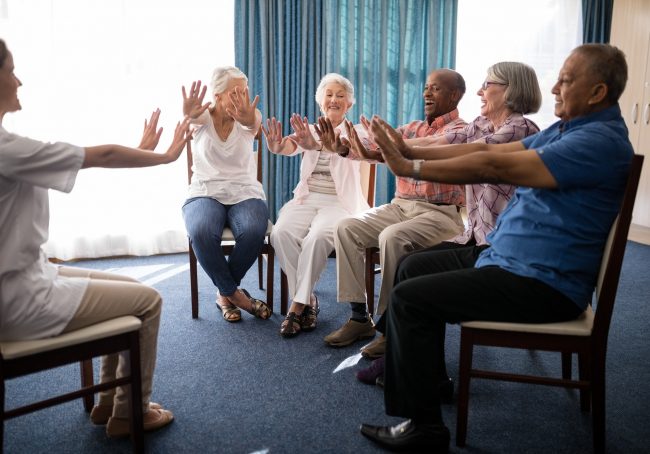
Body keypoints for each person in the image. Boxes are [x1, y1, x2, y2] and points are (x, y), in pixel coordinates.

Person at [356, 43, 633, 453]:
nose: (554, 87)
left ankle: (425, 429)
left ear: (597, 93)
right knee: (413, 266)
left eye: (566, 80)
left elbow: (493, 166)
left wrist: (410, 166)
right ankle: (430, 383)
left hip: (541, 282)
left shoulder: (596, 142)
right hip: (508, 258)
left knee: (410, 299)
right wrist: (409, 150)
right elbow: (485, 150)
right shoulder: (567, 129)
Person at [0, 39, 190, 438]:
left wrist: (138, 150)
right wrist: (165, 157)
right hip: (20, 299)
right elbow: (99, 157)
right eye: (11, 70)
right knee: (150, 301)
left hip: (22, 280)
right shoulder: (6, 148)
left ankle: (110, 403)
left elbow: (83, 165)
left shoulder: (9, 148)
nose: (19, 80)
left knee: (131, 291)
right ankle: (130, 413)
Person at [355, 61, 542, 387]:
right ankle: (411, 363)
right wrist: (387, 149)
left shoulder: (521, 128)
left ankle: (405, 366)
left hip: (500, 247)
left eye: (489, 84)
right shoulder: (483, 123)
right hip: (476, 236)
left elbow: (476, 156)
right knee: (410, 265)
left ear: (511, 90)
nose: (481, 91)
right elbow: (441, 144)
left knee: (416, 279)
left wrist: (402, 156)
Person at [321, 68, 468, 348]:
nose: (426, 92)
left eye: (435, 88)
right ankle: (359, 319)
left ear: (455, 95)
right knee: (346, 227)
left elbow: (405, 148)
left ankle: (391, 328)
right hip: (400, 206)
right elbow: (372, 145)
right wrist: (341, 148)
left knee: (393, 237)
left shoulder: (462, 131)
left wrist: (383, 149)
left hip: (441, 213)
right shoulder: (412, 127)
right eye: (426, 87)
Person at [262, 73, 370, 337]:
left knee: (317, 237)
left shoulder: (358, 133)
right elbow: (289, 146)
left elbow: (350, 149)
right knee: (280, 232)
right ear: (320, 101)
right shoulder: (307, 130)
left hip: (340, 203)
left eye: (340, 95)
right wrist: (277, 146)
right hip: (307, 198)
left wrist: (323, 145)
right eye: (329, 95)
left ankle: (298, 306)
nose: (334, 100)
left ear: (350, 104)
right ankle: (308, 297)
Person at [181, 68, 271, 323]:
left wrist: (249, 115)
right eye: (235, 93)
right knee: (200, 231)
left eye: (245, 92)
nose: (242, 97)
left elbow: (251, 123)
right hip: (204, 192)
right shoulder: (203, 119)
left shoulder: (249, 117)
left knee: (254, 229)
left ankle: (224, 294)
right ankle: (238, 296)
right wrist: (188, 112)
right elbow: (193, 117)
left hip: (245, 192)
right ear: (218, 96)